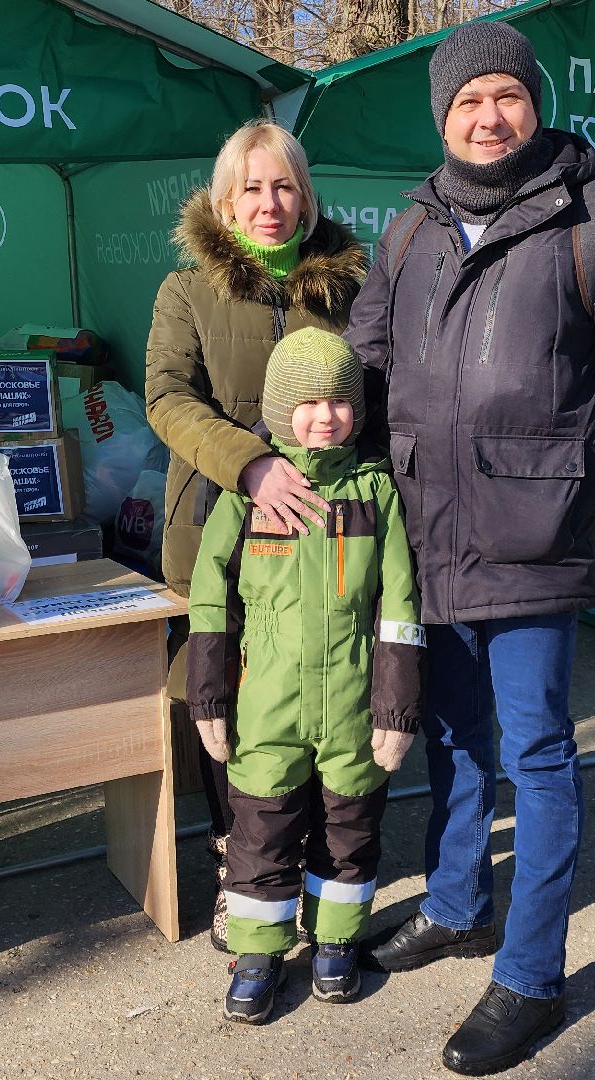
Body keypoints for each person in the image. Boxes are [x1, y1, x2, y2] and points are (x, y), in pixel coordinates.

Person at [344, 20, 595, 1077]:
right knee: (451, 739)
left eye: (504, 95)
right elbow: (360, 364)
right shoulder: (406, 229)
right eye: (466, 102)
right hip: (422, 529)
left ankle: (531, 976)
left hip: (533, 530)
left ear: (533, 104)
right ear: (442, 118)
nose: (486, 117)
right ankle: (456, 907)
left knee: (536, 752)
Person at [145, 120, 368, 950]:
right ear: (223, 198)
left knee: (320, 685)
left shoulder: (349, 287)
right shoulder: (187, 291)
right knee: (225, 698)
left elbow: (373, 396)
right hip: (219, 524)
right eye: (251, 187)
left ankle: (317, 859)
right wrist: (251, 466)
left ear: (305, 195)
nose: (268, 205)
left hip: (329, 533)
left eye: (283, 186)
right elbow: (167, 398)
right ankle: (236, 867)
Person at [184, 327, 422, 1023]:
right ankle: (258, 952)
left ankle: (336, 941)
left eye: (341, 402)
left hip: (352, 707)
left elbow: (400, 606)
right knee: (261, 832)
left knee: (349, 832)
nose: (326, 417)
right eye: (309, 402)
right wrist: (210, 697)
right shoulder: (245, 494)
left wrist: (396, 708)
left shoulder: (376, 494)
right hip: (268, 707)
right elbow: (209, 601)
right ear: (281, 406)